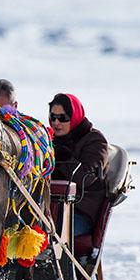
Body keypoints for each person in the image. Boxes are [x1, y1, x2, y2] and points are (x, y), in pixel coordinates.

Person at [49, 93, 109, 237]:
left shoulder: (95, 140)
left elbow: (87, 175)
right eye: (53, 117)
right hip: (48, 206)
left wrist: (60, 164)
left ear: (74, 116)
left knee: (50, 232)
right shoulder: (48, 138)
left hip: (80, 210)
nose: (56, 122)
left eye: (63, 118)